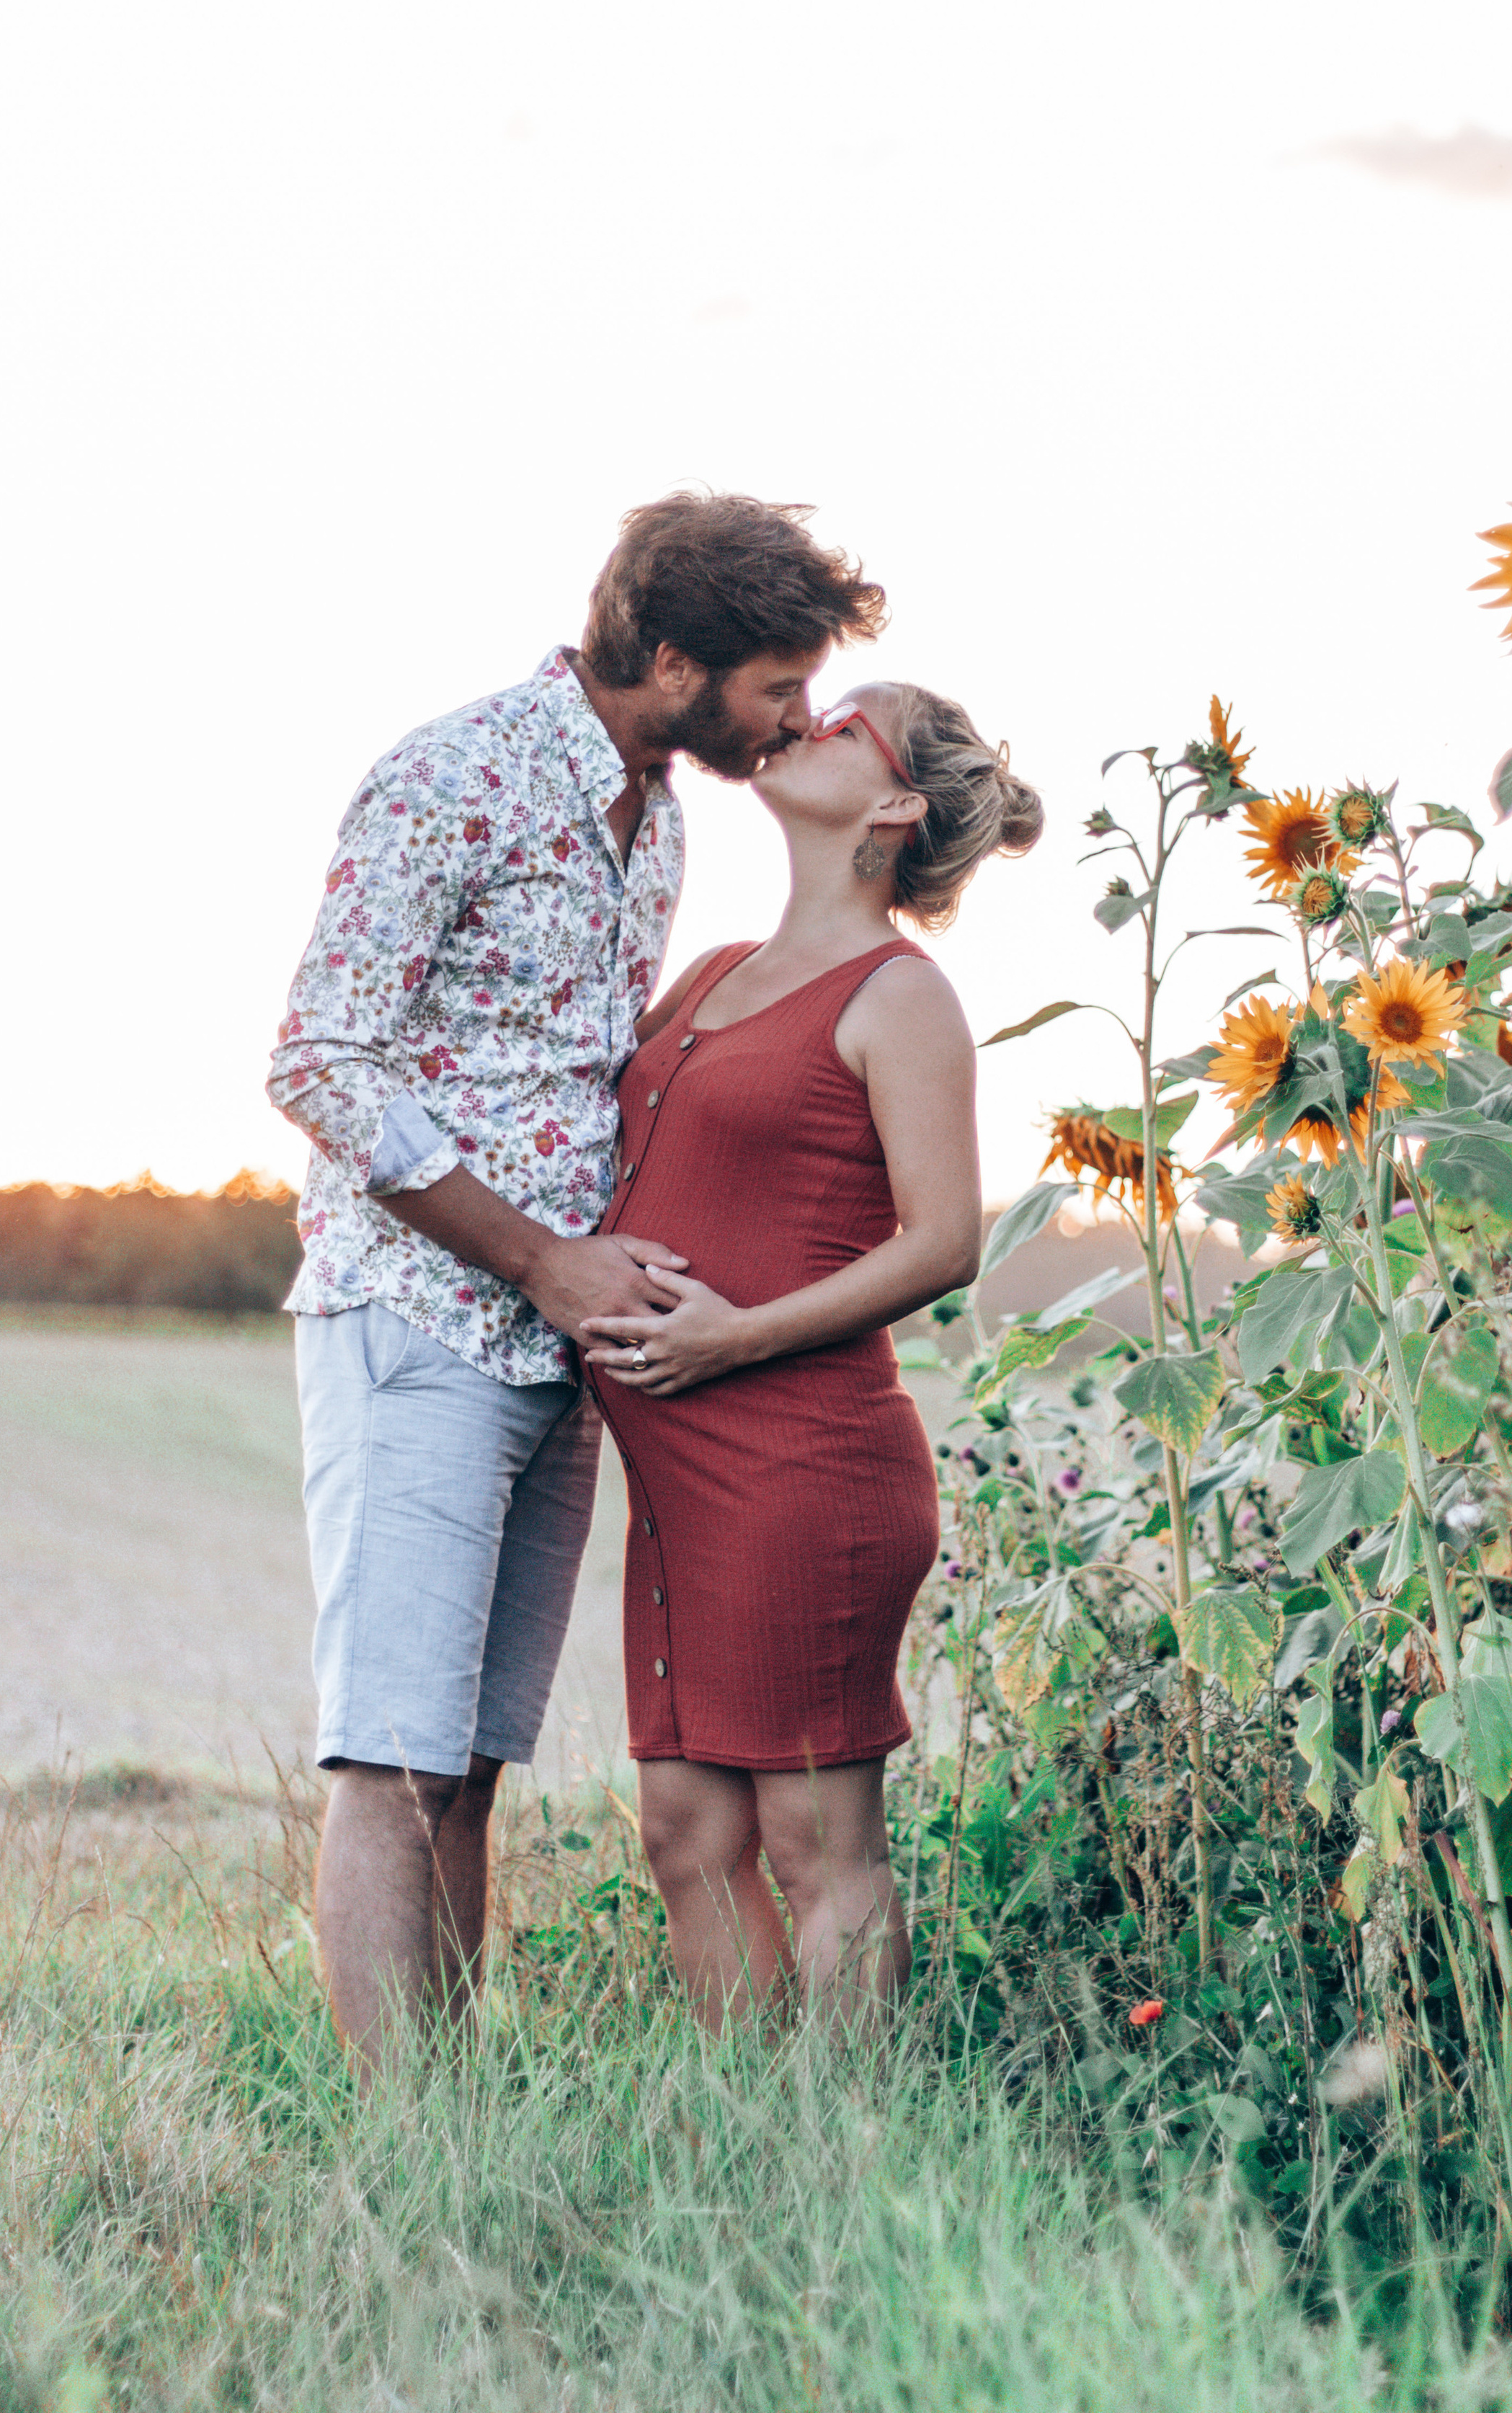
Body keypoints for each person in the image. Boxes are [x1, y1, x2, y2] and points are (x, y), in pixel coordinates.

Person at [265, 490, 886, 2079]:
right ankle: (413, 2151)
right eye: (773, 686)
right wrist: (542, 1258)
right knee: (390, 1763)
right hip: (417, 1315)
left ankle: (458, 2119)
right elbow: (318, 1057)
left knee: (465, 1765)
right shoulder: (453, 775)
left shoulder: (655, 813)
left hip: (557, 1357)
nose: (795, 718)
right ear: (671, 656)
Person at [579, 680, 1044, 2029]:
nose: (802, 720)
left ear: (893, 805)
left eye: (844, 722)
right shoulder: (715, 971)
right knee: (682, 1829)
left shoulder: (900, 995)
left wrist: (730, 1337)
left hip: (806, 1465)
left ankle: (851, 2155)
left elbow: (944, 1240)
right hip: (682, 1477)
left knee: (813, 1839)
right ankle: (761, 2140)